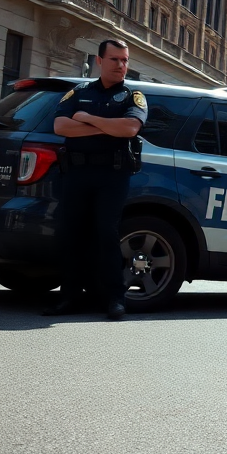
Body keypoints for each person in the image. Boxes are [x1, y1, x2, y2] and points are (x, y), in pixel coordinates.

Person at [44, 40, 147, 321]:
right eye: (115, 59)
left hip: (112, 175)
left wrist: (88, 119)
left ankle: (114, 299)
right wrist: (108, 127)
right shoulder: (79, 92)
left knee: (107, 234)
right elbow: (60, 126)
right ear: (99, 60)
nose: (121, 65)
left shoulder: (132, 96)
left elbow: (130, 127)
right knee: (72, 233)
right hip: (76, 172)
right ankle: (69, 296)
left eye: (125, 60)